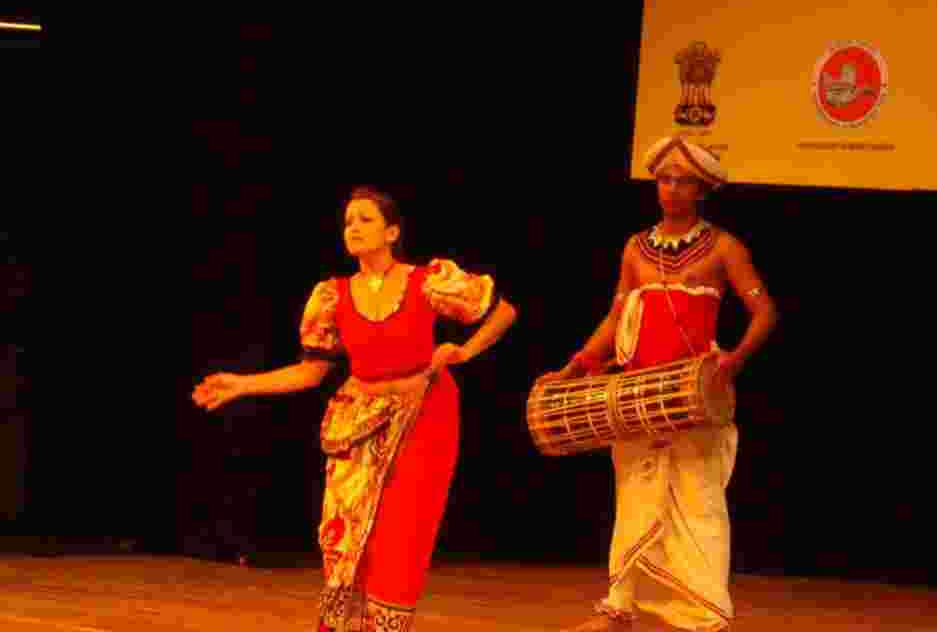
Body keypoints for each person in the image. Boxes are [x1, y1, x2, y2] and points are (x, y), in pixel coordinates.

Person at [193, 186, 518, 631]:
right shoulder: (332, 295)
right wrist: (242, 384)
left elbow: (503, 313)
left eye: (365, 219)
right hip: (359, 418)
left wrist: (464, 352)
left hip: (425, 413)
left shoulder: (428, 280)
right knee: (346, 536)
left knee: (400, 536)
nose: (354, 228)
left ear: (392, 231)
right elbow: (310, 372)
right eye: (348, 222)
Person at [546, 136, 778, 632]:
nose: (671, 188)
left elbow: (764, 312)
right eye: (664, 179)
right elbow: (617, 315)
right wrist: (580, 361)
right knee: (634, 495)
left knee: (698, 501)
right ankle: (619, 607)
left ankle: (705, 614)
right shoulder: (635, 248)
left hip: (692, 393)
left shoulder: (723, 247)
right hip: (637, 393)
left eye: (683, 181)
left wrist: (733, 360)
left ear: (701, 189)